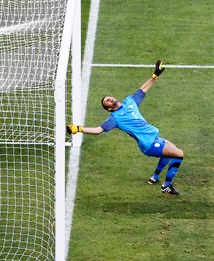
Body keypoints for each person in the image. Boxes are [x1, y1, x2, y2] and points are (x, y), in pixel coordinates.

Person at [66, 60, 185, 195]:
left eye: (109, 97)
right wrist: (79, 129)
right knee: (179, 154)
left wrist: (155, 75)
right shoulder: (115, 118)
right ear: (109, 109)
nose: (110, 99)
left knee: (172, 150)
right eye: (107, 102)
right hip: (149, 143)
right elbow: (98, 130)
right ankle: (167, 185)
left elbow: (143, 89)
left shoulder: (130, 101)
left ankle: (155, 177)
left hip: (153, 137)